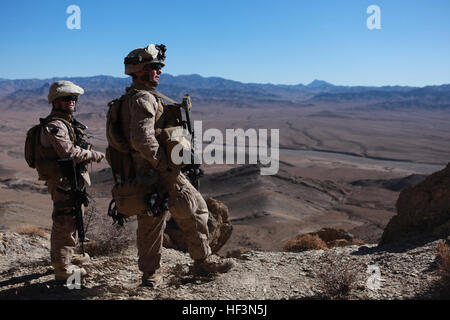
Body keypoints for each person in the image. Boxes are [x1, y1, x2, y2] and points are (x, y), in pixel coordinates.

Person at [119, 44, 234, 287]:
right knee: (194, 209)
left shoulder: (129, 99)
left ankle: (150, 276)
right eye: (155, 67)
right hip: (160, 171)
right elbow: (142, 139)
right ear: (140, 70)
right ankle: (203, 262)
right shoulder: (143, 99)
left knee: (151, 221)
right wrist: (164, 164)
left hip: (142, 173)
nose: (159, 71)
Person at [39, 81, 105, 281]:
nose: (71, 102)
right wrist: (92, 155)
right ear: (55, 102)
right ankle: (62, 268)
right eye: (66, 98)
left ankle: (68, 256)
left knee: (73, 219)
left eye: (73, 98)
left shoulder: (66, 123)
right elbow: (68, 152)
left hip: (71, 180)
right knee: (64, 222)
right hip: (62, 181)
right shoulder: (55, 125)